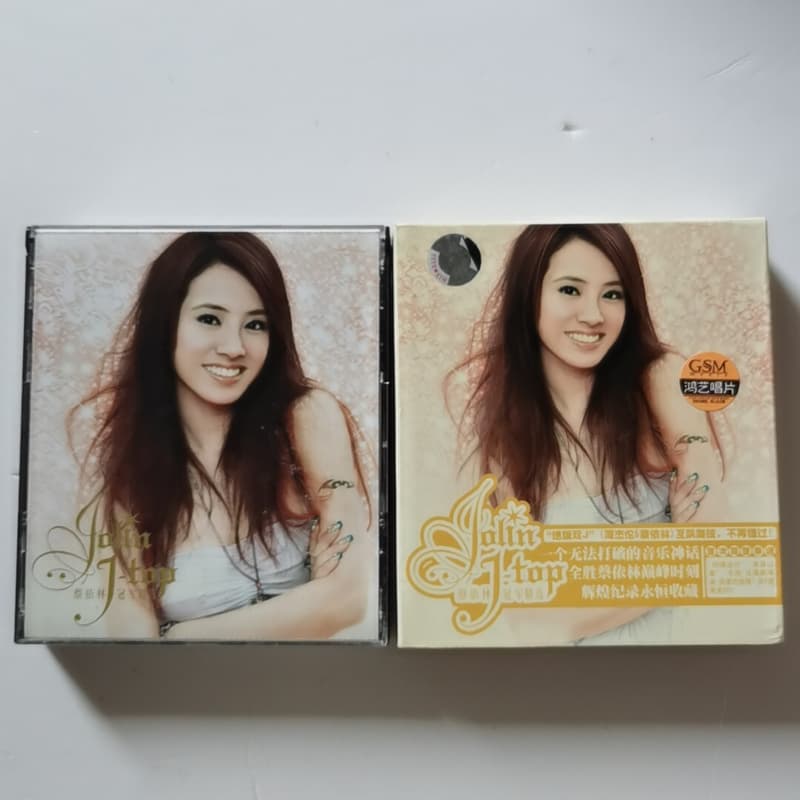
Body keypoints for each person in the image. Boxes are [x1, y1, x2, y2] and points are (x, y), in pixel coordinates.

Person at [71, 231, 374, 640]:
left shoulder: (306, 417)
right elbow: (132, 643)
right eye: (210, 319)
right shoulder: (129, 476)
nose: (234, 347)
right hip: (194, 683)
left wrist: (178, 636)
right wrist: (306, 605)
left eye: (255, 324)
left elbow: (347, 599)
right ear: (165, 323)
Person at [452, 223, 726, 644]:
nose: (594, 315)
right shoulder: (506, 435)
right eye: (570, 290)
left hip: (678, 655)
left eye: (612, 294)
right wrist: (670, 550)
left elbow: (711, 544)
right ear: (529, 295)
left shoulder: (659, 380)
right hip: (568, 670)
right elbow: (524, 618)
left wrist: (570, 613)